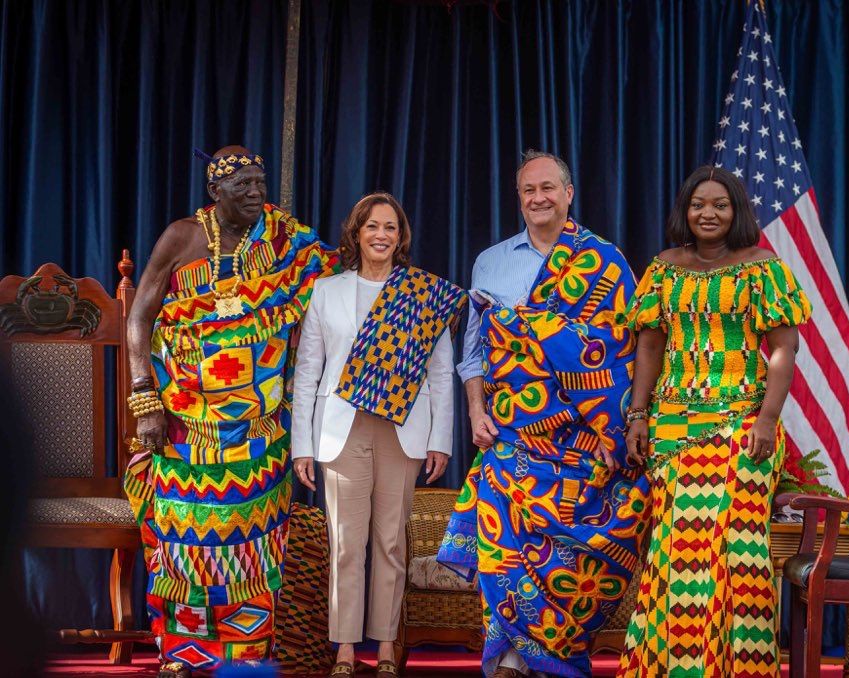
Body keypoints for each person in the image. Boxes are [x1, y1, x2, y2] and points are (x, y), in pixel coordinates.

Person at [123, 146, 339, 677]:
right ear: (214, 192)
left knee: (254, 547)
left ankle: (246, 659)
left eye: (260, 184)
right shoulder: (182, 237)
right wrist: (143, 397)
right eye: (242, 185)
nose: (255, 194)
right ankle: (182, 653)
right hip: (185, 426)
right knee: (184, 541)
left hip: (259, 431)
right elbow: (139, 319)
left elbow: (340, 272)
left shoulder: (283, 238)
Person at [437, 150, 650, 678]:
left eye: (548, 188)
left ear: (569, 193)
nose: (538, 198)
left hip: (584, 439)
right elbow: (475, 349)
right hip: (512, 433)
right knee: (504, 546)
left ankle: (549, 656)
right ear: (519, 197)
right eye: (529, 190)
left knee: (573, 560)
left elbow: (620, 350)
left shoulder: (604, 260)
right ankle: (510, 658)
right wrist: (475, 409)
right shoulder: (490, 261)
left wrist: (610, 426)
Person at [616, 165, 812, 677]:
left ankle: (736, 669)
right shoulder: (663, 268)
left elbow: (784, 347)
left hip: (744, 428)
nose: (708, 213)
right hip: (673, 428)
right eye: (698, 204)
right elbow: (650, 344)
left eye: (720, 204)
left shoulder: (762, 267)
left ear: (737, 211)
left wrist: (767, 419)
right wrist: (639, 415)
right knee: (676, 553)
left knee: (737, 553)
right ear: (685, 210)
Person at [291, 192, 466, 678]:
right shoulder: (327, 290)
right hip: (341, 430)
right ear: (357, 233)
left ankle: (387, 647)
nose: (381, 235)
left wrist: (440, 439)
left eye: (390, 227)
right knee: (347, 543)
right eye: (372, 226)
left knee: (390, 542)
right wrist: (301, 445)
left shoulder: (422, 294)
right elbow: (307, 372)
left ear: (400, 235)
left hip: (403, 430)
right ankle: (345, 649)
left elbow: (440, 372)